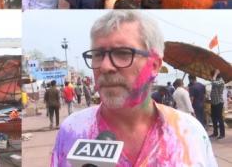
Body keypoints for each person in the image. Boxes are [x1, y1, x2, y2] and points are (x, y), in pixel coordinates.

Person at [51, 11, 216, 167]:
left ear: (154, 65)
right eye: (98, 55)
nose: (105, 66)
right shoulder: (71, 131)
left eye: (123, 53)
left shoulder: (190, 133)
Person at [210, 69, 225, 139]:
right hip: (213, 102)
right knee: (213, 118)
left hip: (218, 102)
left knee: (219, 118)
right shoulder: (216, 80)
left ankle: (222, 134)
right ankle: (215, 133)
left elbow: (213, 83)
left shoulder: (221, 81)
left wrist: (215, 74)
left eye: (211, 75)